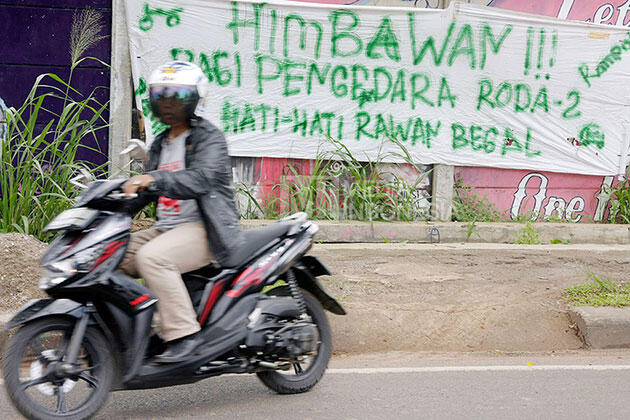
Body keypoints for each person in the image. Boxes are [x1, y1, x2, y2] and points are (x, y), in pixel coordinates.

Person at [119, 61, 242, 363]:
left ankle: (184, 335)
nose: (168, 104)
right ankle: (135, 329)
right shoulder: (161, 142)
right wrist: (110, 201)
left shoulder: (208, 137)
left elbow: (202, 178)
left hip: (205, 229)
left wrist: (154, 178)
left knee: (153, 258)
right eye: (162, 97)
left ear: (194, 100)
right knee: (109, 255)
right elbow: (147, 191)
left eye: (177, 97)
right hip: (168, 229)